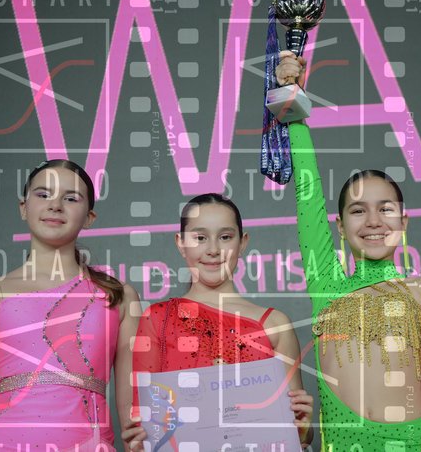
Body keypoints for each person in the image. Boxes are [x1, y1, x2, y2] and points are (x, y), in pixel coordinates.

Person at [276, 52, 421, 451]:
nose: (372, 221)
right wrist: (294, 109)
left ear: (404, 221)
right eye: (357, 211)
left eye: (385, 209)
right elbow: (307, 192)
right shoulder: (327, 285)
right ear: (339, 226)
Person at [0, 159, 140, 451]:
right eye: (43, 194)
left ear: (89, 217)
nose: (55, 205)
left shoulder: (118, 297)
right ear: (24, 208)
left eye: (71, 198)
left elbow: (134, 409)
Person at [122, 193, 314, 450]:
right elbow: (144, 424)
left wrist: (303, 427)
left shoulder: (274, 324)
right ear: (181, 243)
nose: (213, 250)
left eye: (225, 237)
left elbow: (299, 436)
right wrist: (140, 440)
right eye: (200, 238)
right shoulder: (158, 319)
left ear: (243, 242)